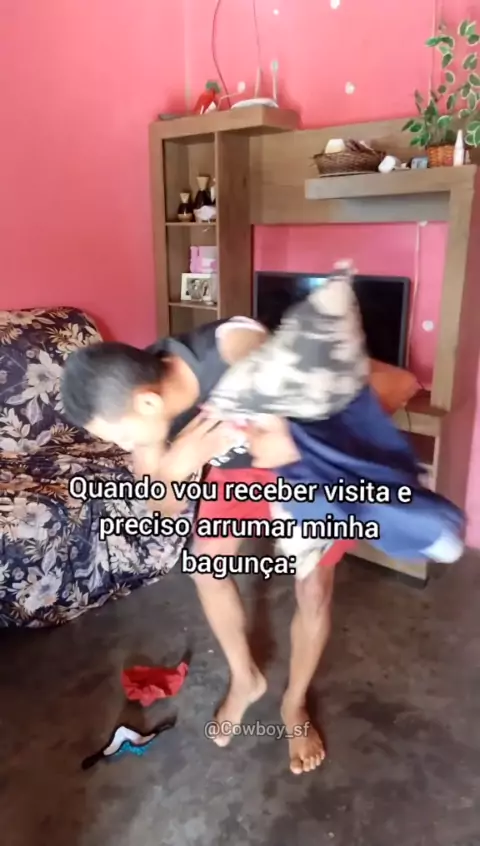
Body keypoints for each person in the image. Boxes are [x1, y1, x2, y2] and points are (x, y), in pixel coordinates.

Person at [61, 312, 355, 775]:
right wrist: (178, 467)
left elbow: (270, 377)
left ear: (148, 404)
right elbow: (162, 505)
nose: (122, 445)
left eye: (120, 435)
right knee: (207, 568)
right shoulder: (149, 411)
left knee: (314, 588)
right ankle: (245, 678)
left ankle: (294, 705)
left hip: (306, 453)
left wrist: (270, 431)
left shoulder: (228, 344)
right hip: (237, 468)